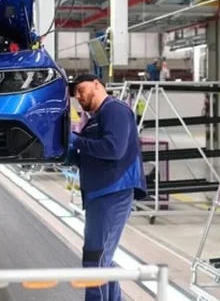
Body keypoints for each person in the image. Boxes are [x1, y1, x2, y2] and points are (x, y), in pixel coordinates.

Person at [67, 73, 147, 301]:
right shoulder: (97, 118)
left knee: (95, 262)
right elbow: (91, 157)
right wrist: (66, 154)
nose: (78, 96)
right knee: (103, 260)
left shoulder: (114, 110)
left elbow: (114, 149)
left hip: (113, 193)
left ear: (96, 84)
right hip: (100, 195)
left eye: (80, 89)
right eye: (75, 94)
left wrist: (75, 140)